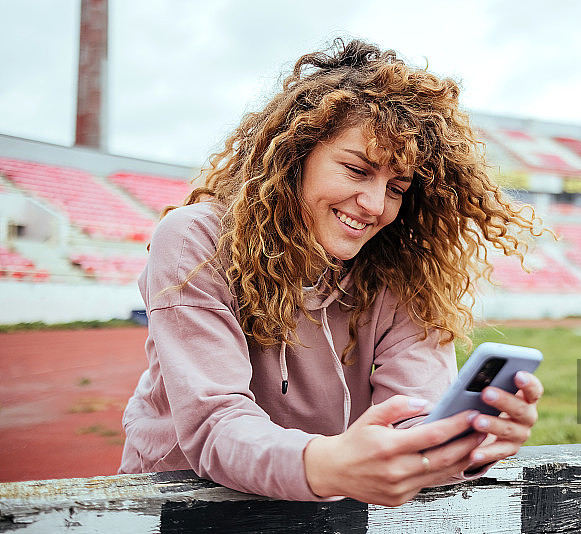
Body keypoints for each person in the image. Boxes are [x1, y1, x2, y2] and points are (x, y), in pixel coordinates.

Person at [119, 38, 545, 507]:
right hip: (181, 505)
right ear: (295, 156)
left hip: (325, 505)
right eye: (357, 170)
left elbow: (413, 422)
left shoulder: (400, 270)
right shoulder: (194, 239)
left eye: (397, 188)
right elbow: (214, 424)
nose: (376, 205)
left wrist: (467, 441)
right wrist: (326, 465)